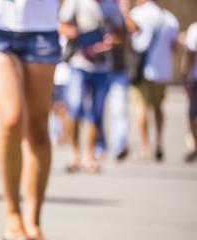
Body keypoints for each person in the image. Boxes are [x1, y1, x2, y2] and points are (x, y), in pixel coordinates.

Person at [0, 0, 61, 240]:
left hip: (42, 27)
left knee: (38, 129)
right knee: (12, 119)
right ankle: (12, 216)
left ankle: (34, 222)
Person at [59, 0, 125, 173]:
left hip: (102, 66)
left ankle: (89, 156)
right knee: (74, 107)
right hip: (79, 62)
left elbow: (121, 34)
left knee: (97, 112)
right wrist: (73, 33)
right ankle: (74, 154)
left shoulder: (112, 6)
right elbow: (61, 25)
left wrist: (111, 41)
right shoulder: (76, 3)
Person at [118, 0, 179, 162]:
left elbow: (129, 38)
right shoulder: (170, 18)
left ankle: (144, 148)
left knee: (141, 107)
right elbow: (174, 47)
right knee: (159, 108)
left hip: (143, 68)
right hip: (163, 70)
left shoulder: (137, 14)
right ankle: (159, 143)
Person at [183, 21, 197, 162]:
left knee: (191, 115)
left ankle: (195, 146)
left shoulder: (194, 29)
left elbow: (191, 53)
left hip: (195, 78)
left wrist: (186, 76)